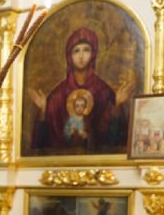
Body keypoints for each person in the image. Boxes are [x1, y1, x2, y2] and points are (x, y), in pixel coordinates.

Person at [29, 27, 133, 155]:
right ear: (69, 56)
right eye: (76, 51)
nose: (81, 56)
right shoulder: (58, 94)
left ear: (93, 54)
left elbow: (114, 139)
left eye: (86, 50)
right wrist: (43, 110)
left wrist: (117, 105)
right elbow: (43, 143)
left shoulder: (103, 92)